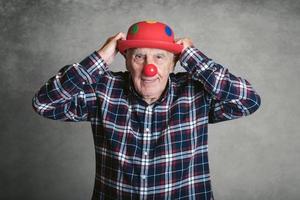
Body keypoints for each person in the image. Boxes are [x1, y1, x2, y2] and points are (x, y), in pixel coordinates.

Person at [32, 20, 261, 200]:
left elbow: (248, 100)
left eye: (160, 57)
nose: (149, 68)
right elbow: (44, 103)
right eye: (139, 56)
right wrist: (100, 57)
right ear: (126, 61)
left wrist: (194, 58)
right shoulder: (103, 90)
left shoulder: (196, 93)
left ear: (174, 63)